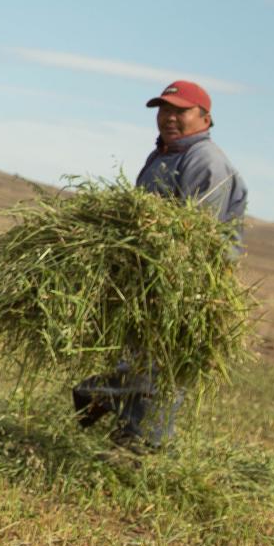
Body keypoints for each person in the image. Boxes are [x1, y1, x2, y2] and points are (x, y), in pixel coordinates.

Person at [72, 79, 248, 449]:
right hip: (150, 277)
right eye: (164, 110)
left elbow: (196, 234)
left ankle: (137, 439)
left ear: (205, 117)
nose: (169, 118)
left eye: (180, 111)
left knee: (162, 367)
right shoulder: (162, 155)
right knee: (140, 359)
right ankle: (127, 433)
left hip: (186, 283)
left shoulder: (206, 162)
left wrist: (173, 280)